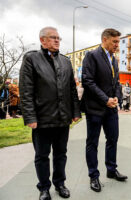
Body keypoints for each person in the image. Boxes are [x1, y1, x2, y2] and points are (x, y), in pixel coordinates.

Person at [19, 26, 81, 200]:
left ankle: (60, 184)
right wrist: (30, 117)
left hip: (63, 119)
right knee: (42, 156)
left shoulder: (65, 61)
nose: (57, 40)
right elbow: (26, 91)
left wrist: (75, 112)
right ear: (42, 40)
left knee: (61, 154)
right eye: (53, 37)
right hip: (42, 119)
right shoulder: (31, 59)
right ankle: (44, 188)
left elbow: (72, 90)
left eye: (58, 38)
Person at [82, 28, 127, 193]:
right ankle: (94, 176)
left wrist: (116, 98)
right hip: (95, 108)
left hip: (111, 109)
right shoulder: (91, 56)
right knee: (92, 143)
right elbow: (88, 81)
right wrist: (105, 99)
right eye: (115, 41)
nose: (117, 45)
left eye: (118, 42)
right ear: (104, 39)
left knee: (112, 140)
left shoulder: (113, 59)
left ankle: (111, 169)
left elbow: (116, 82)